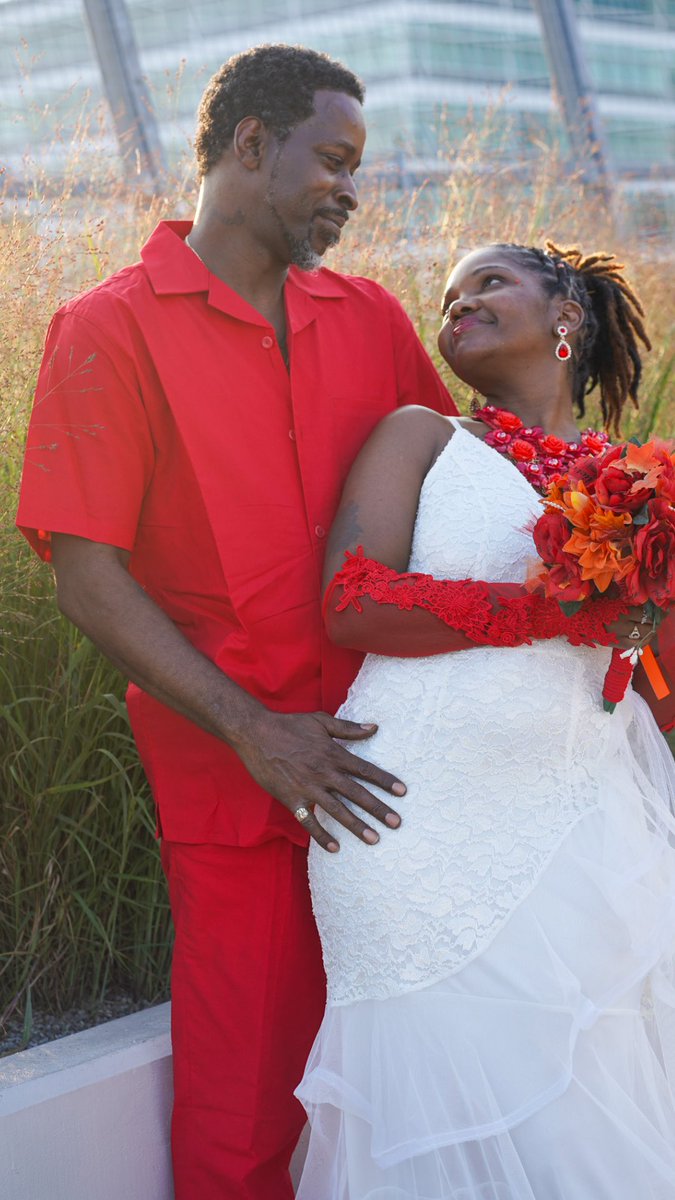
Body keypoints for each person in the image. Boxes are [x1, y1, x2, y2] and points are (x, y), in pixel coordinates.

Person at [15, 45, 457, 1200]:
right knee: (245, 1112)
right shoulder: (104, 329)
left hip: (406, 780)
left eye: (358, 169)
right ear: (251, 146)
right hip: (239, 794)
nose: (352, 192)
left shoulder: (370, 318)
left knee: (413, 1087)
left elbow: (467, 496)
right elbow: (88, 576)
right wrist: (255, 729)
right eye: (336, 162)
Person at [295, 241, 675, 1198]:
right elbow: (351, 600)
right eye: (450, 297)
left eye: (488, 283)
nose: (457, 304)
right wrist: (548, 609)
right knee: (435, 1107)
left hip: (587, 824)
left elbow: (644, 670)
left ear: (568, 317)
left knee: (581, 1106)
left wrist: (643, 612)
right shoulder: (422, 436)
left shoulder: (643, 488)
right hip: (412, 821)